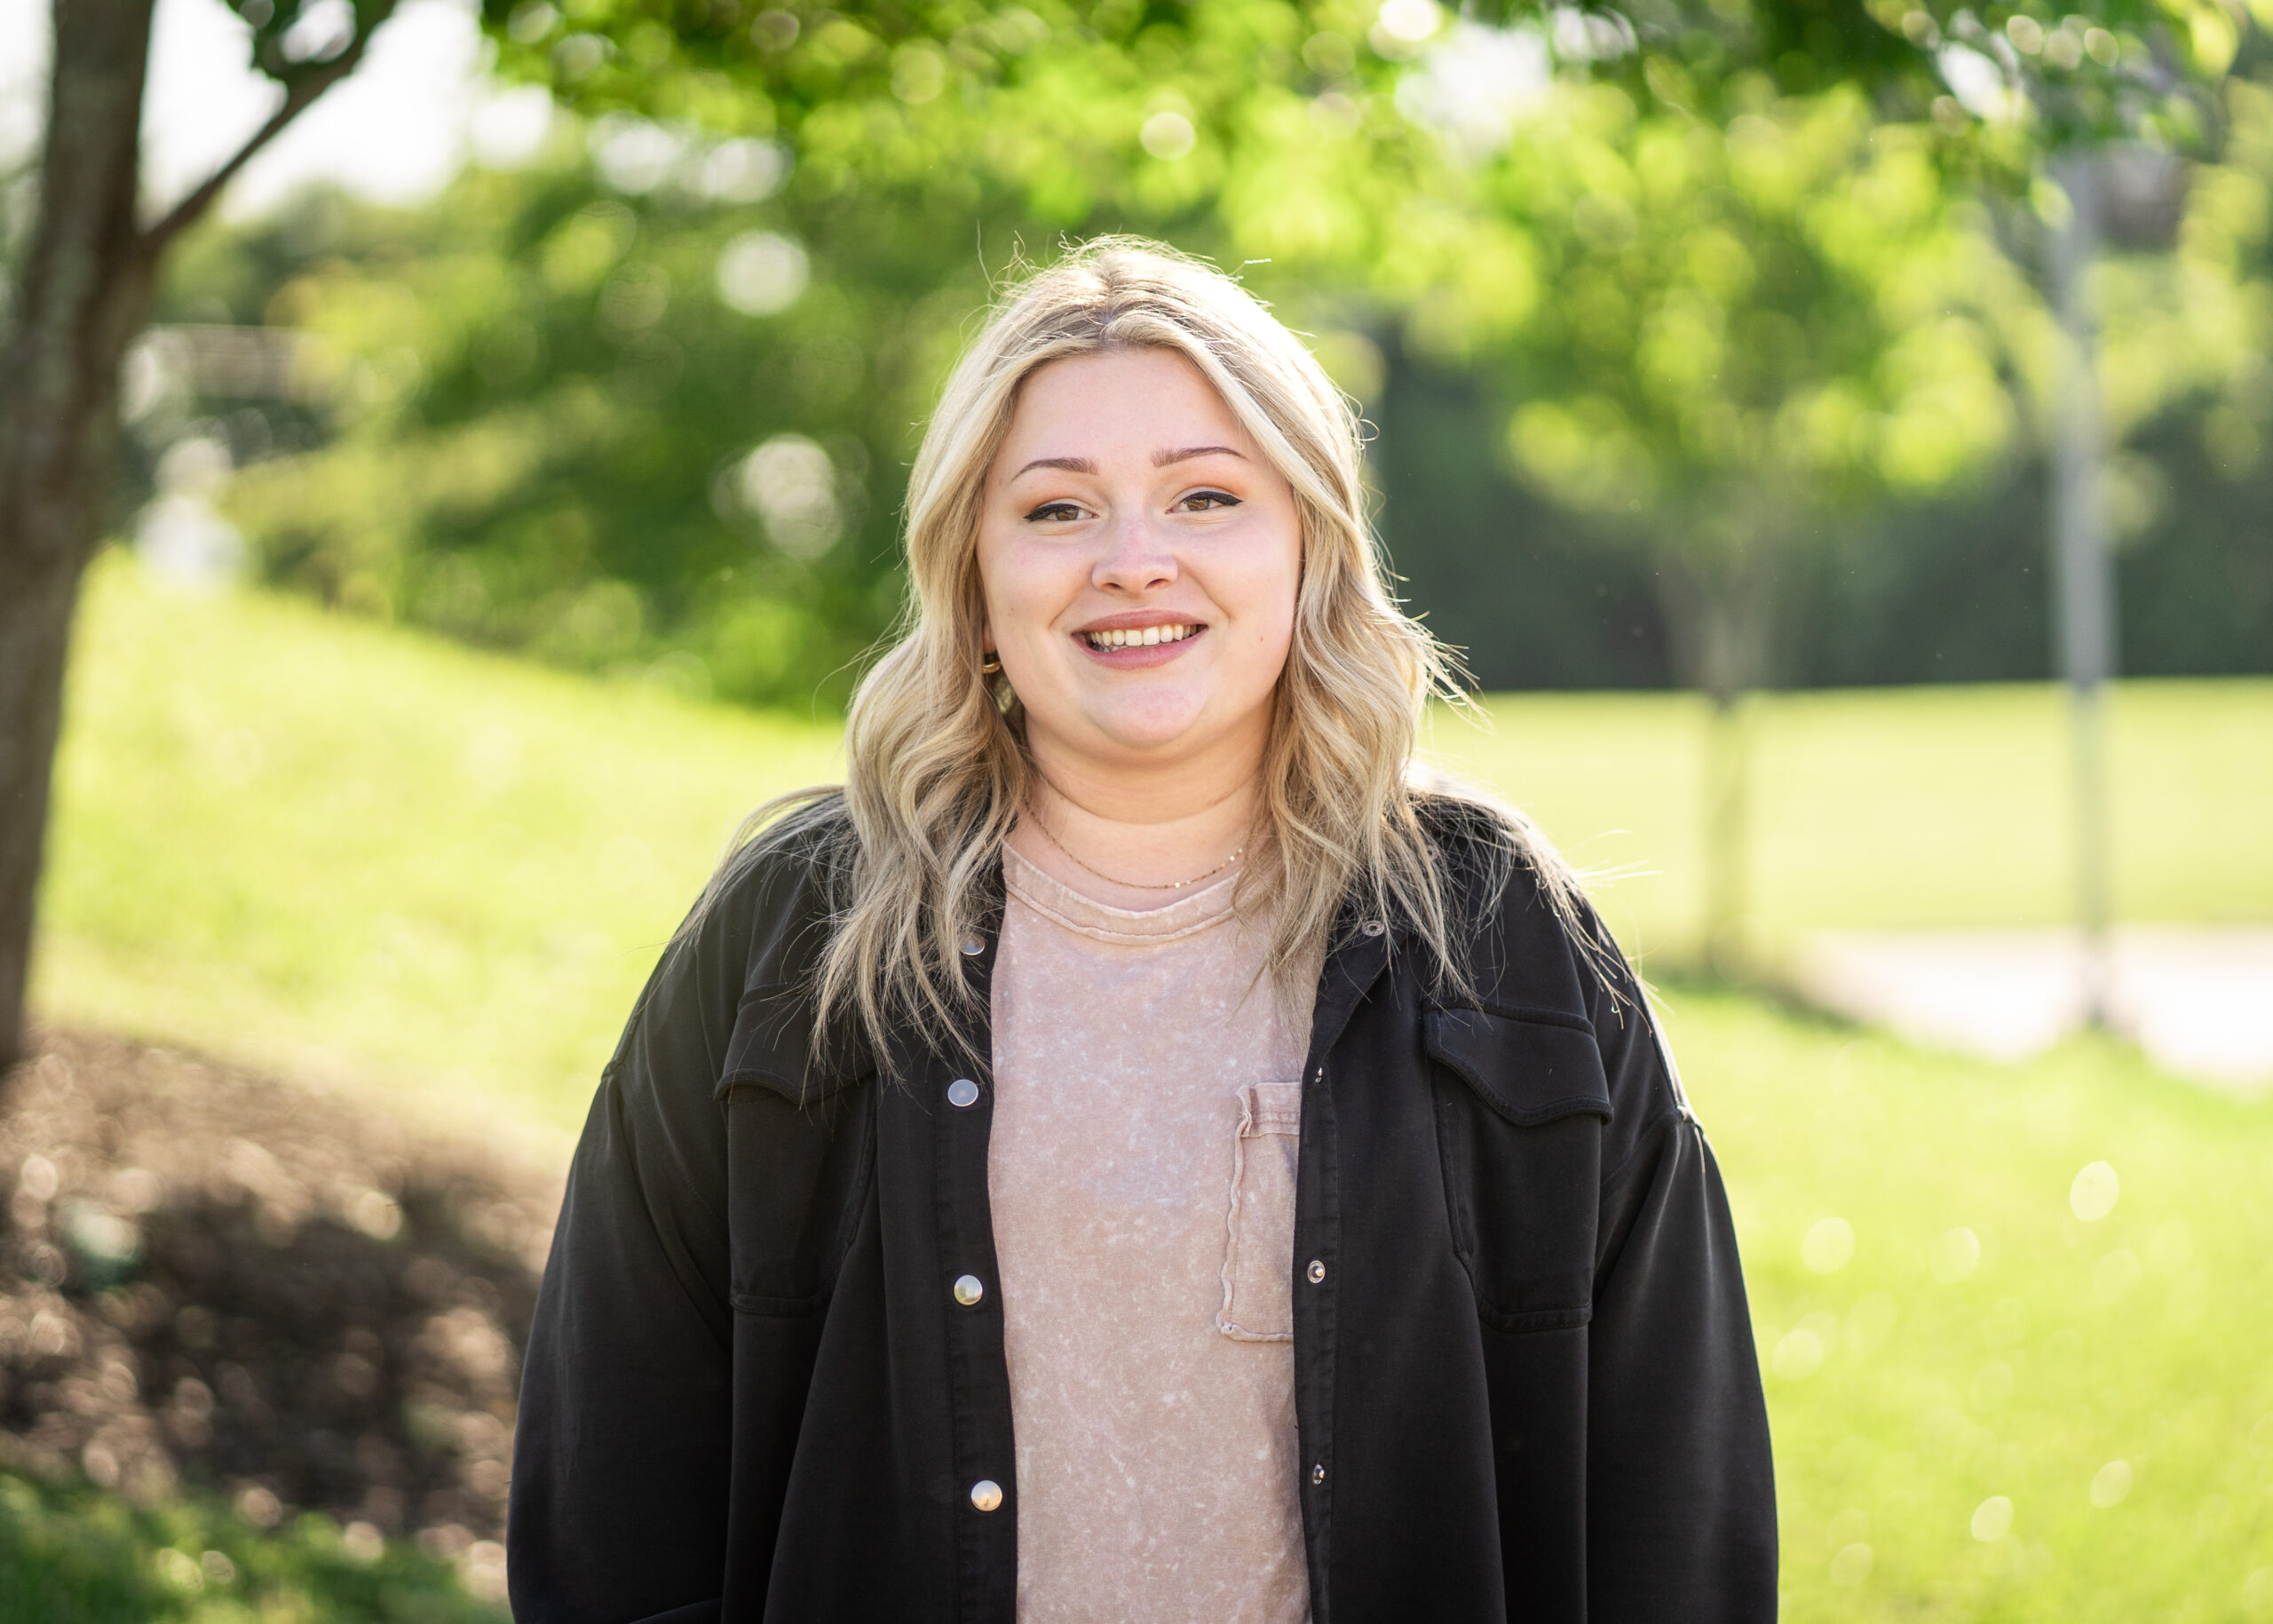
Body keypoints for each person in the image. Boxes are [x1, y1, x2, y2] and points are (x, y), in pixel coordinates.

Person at [507, 238, 1777, 1624]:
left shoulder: (1499, 940)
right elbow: (611, 1495)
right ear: (972, 576)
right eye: (1056, 512)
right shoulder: (796, 938)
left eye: (1205, 495)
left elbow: (1675, 1501)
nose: (1133, 562)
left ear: (1309, 544)